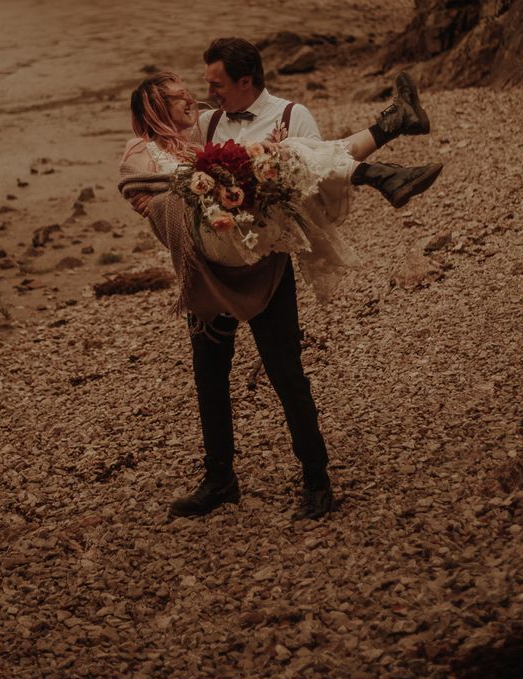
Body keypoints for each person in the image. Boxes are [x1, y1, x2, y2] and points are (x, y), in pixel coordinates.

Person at [119, 38, 441, 520]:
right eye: (193, 89)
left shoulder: (294, 116)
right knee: (210, 378)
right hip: (208, 273)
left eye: (213, 85)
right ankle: (220, 479)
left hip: (266, 266)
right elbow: (162, 181)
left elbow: (315, 188)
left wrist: (265, 171)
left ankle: (316, 479)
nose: (204, 96)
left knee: (286, 372)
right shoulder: (202, 126)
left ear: (244, 81)